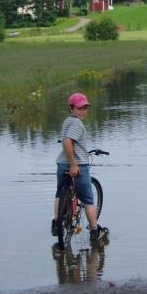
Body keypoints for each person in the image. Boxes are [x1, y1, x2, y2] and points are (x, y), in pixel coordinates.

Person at [52, 92, 108, 242]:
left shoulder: (67, 122)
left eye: (85, 108)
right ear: (71, 108)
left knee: (60, 193)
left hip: (61, 163)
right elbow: (67, 142)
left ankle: (57, 222)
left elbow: (64, 141)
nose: (83, 111)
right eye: (79, 108)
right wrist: (74, 164)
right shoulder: (77, 124)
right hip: (77, 165)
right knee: (89, 200)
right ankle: (95, 232)